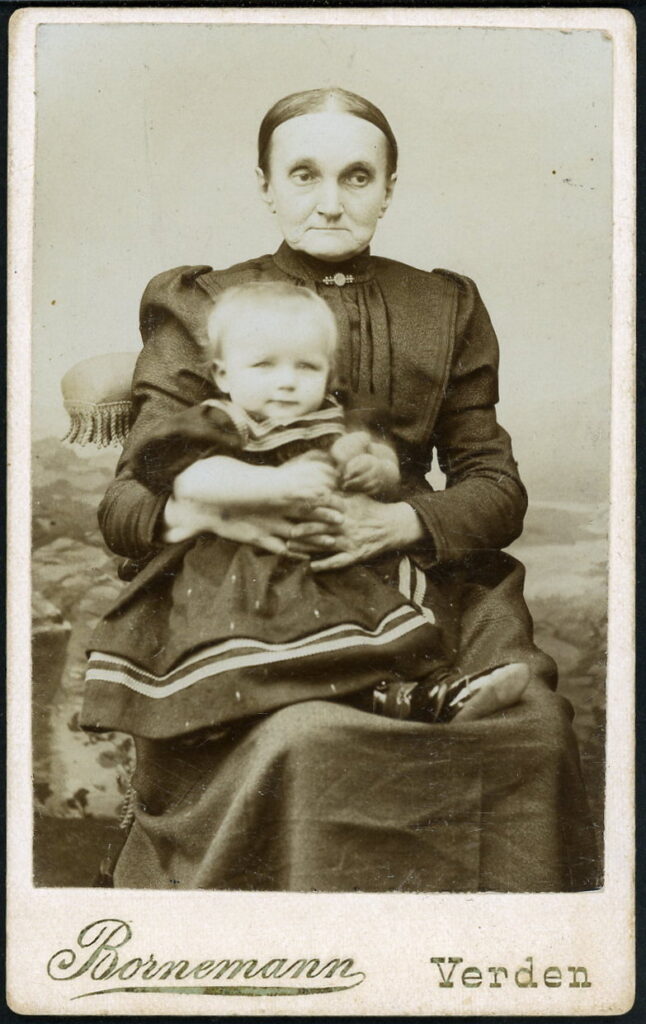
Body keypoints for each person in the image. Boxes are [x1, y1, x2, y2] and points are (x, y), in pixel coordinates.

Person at [90, 87, 598, 891]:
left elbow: (496, 486)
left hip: (415, 585)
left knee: (533, 736)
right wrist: (215, 507)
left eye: (358, 178)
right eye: (303, 175)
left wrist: (397, 523)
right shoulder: (203, 302)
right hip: (245, 601)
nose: (330, 202)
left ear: (389, 187)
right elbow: (123, 508)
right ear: (265, 185)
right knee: (310, 742)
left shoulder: (444, 304)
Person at [83, 281, 529, 738]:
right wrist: (270, 483)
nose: (287, 381)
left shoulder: (332, 417)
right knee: (279, 645)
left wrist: (374, 468)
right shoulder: (221, 421)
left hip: (339, 566)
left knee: (391, 627)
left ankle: (430, 694)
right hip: (247, 571)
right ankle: (244, 704)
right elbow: (182, 478)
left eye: (307, 367)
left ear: (328, 374)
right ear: (223, 374)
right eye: (263, 365)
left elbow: (384, 460)